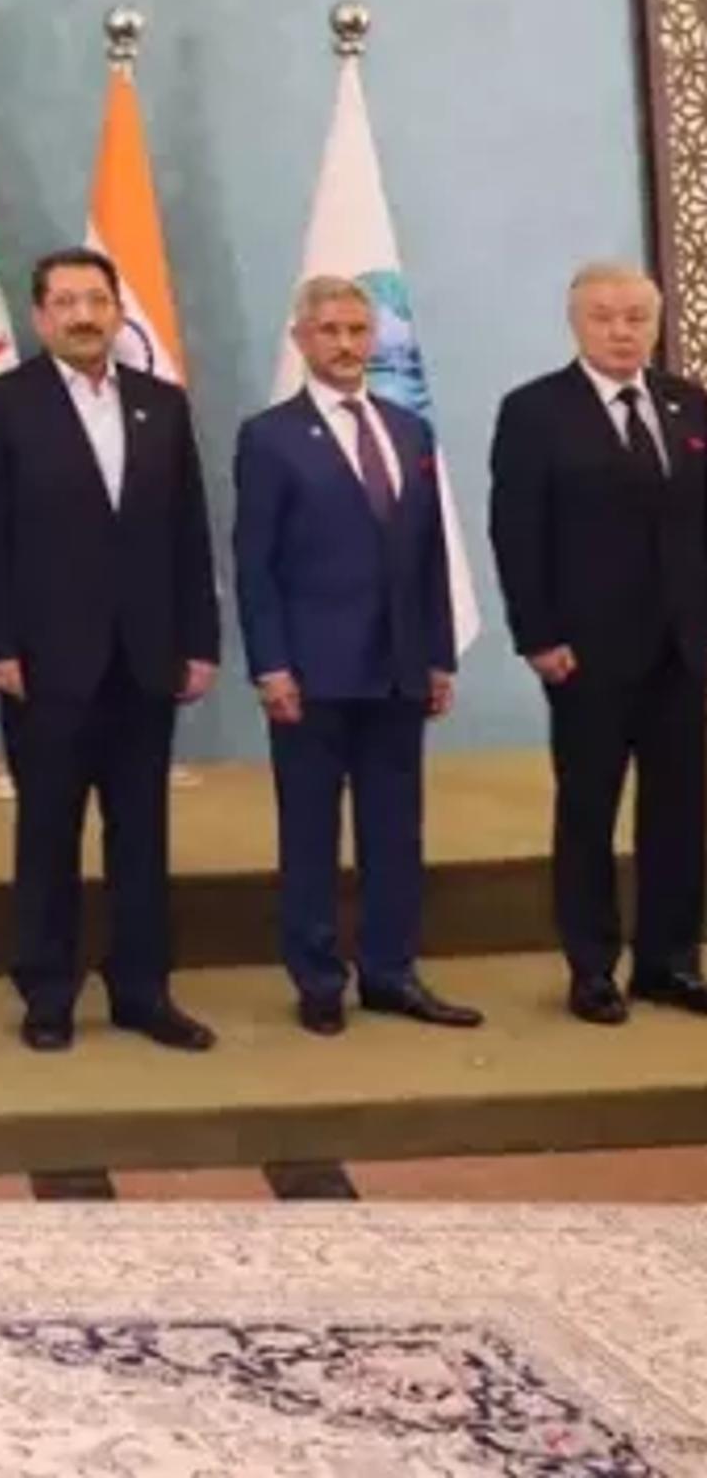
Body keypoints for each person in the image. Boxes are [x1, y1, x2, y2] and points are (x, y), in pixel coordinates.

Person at [0, 246, 222, 1052]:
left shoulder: (161, 404)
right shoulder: (2, 404)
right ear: (40, 317)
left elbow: (188, 530)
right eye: (66, 302)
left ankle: (143, 991)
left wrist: (199, 640)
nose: (83, 315)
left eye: (96, 301)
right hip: (44, 660)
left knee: (141, 832)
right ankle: (48, 992)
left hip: (146, 655)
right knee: (48, 831)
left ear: (116, 311)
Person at [236, 274, 476, 1035]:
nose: (345, 345)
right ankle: (316, 978)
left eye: (357, 330)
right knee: (310, 832)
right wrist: (270, 664)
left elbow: (430, 553)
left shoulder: (409, 432)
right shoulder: (270, 436)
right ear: (302, 340)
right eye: (330, 331)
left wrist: (439, 655)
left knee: (395, 827)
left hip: (400, 666)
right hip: (311, 672)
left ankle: (390, 971)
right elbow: (255, 563)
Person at [488, 260, 707, 1024]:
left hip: (686, 652)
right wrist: (538, 635)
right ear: (577, 323)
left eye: (636, 317)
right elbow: (517, 533)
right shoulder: (535, 411)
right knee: (589, 809)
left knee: (680, 810)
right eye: (605, 317)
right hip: (586, 653)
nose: (622, 331)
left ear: (654, 323)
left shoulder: (688, 404)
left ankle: (668, 960)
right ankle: (591, 968)